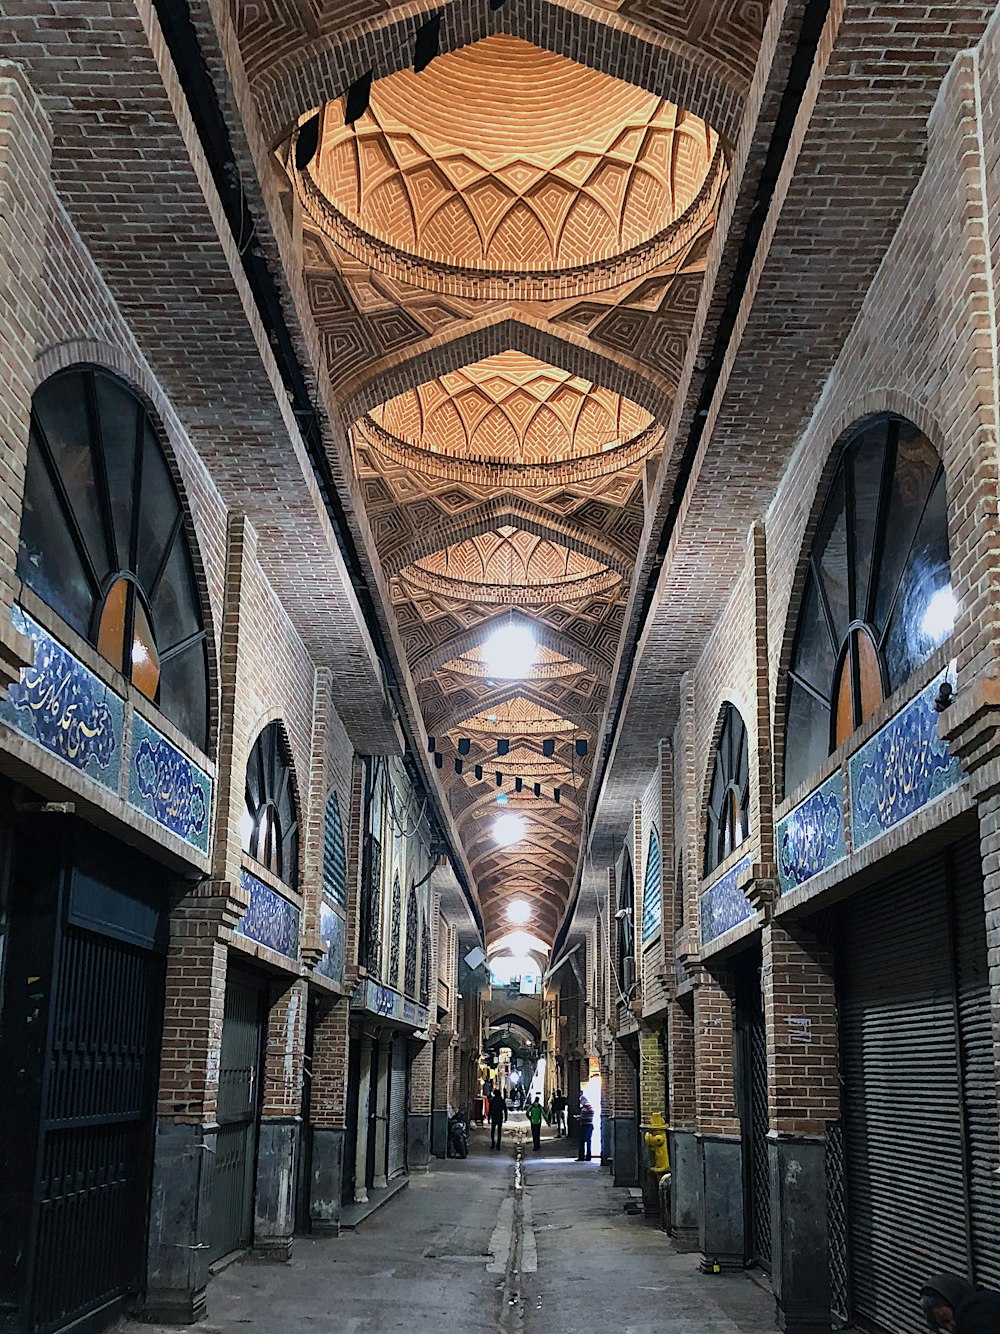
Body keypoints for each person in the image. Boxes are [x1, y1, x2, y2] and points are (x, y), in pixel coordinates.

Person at [921, 1275, 1000, 1331]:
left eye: (947, 1318)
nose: (950, 1328)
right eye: (944, 1325)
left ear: (951, 1299)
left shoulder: (978, 1313)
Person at [577, 1096, 595, 1161]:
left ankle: (581, 1156)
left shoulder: (584, 1108)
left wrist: (578, 1118)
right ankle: (588, 1156)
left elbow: (583, 1117)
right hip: (590, 1125)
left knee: (581, 1141)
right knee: (588, 1141)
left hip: (584, 1125)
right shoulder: (591, 1107)